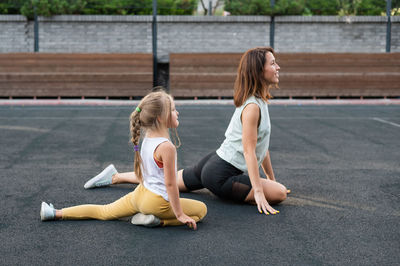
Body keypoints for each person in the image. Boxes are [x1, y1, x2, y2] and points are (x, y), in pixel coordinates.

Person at [84, 47, 288, 215]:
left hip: (213, 163)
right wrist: (260, 192)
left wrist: (270, 178)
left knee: (168, 178)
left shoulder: (259, 101)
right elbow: (249, 151)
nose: (277, 67)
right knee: (279, 194)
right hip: (220, 174)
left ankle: (115, 177)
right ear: (259, 71)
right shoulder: (252, 107)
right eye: (272, 63)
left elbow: (262, 145)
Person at [40, 90, 207, 230]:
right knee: (201, 211)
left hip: (140, 195)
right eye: (173, 109)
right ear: (160, 118)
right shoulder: (166, 147)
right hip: (157, 203)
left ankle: (55, 213)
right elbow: (170, 185)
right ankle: (160, 221)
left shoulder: (148, 137)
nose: (177, 112)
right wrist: (179, 214)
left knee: (103, 211)